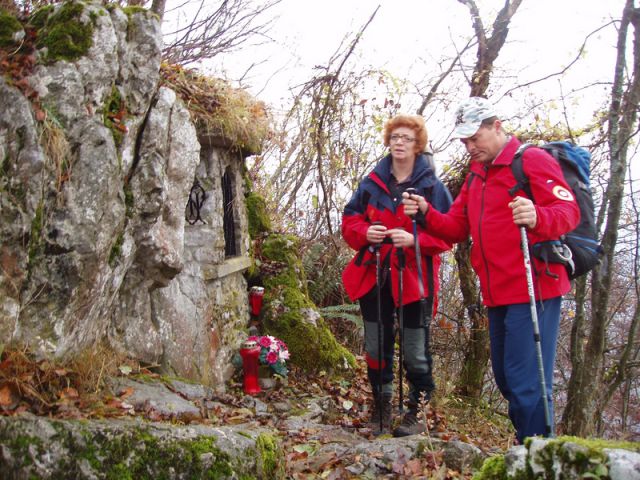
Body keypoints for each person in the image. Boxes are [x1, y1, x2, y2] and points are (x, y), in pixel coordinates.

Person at [403, 97, 580, 443]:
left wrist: (538, 216)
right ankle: (527, 444)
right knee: (504, 376)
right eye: (464, 141)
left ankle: (534, 452)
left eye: (474, 138)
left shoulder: (530, 161)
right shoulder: (477, 172)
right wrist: (425, 211)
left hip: (534, 289)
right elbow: (456, 227)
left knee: (526, 380)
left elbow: (568, 211)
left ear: (496, 126)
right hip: (496, 291)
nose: (470, 146)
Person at [341, 115, 452, 436]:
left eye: (406, 137)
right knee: (376, 347)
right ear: (388, 142)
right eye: (395, 137)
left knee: (416, 350)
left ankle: (416, 411)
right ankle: (381, 407)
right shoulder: (371, 183)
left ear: (418, 145)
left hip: (415, 280)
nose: (399, 142)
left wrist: (416, 241)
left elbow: (448, 234)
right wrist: (367, 232)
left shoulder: (431, 187)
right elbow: (349, 224)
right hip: (374, 275)